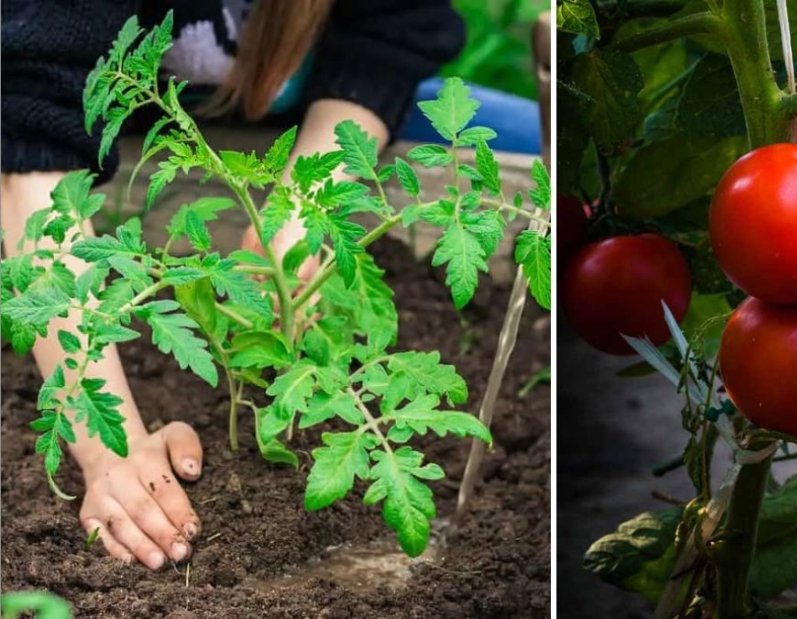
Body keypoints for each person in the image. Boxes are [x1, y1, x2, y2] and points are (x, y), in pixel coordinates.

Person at [1, 0, 464, 571]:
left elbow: (389, 37)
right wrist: (109, 449)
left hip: (299, 112)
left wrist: (301, 210)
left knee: (516, 135)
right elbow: (30, 138)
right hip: (101, 128)